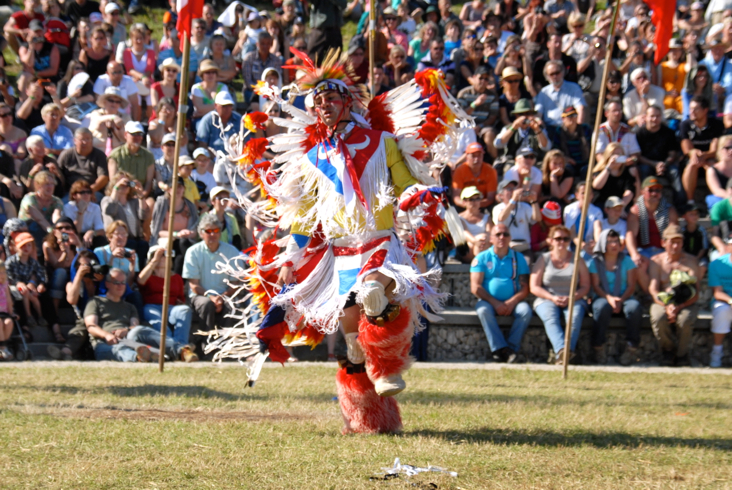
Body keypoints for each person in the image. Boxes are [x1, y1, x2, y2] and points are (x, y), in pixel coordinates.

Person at [84, 268, 197, 362]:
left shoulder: (129, 306)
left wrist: (127, 330)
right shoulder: (95, 301)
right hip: (105, 343)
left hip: (128, 338)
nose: (120, 286)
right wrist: (107, 336)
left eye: (123, 282)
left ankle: (182, 351)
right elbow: (91, 326)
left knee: (138, 330)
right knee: (119, 349)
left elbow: (135, 326)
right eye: (116, 282)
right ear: (107, 284)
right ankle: (139, 358)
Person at [471, 223, 531, 363]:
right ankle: (500, 348)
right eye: (498, 234)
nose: (502, 237)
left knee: (526, 311)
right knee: (483, 310)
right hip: (488, 302)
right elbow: (475, 287)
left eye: (506, 234)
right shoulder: (482, 258)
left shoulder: (519, 258)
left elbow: (525, 287)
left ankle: (511, 348)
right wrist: (495, 303)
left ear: (510, 238)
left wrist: (511, 302)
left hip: (514, 302)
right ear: (491, 238)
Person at [530, 224, 590, 365]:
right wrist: (552, 298)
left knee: (574, 317)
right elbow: (534, 286)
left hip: (573, 298)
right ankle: (563, 350)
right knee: (550, 318)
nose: (562, 242)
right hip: (547, 298)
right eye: (558, 238)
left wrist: (572, 297)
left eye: (565, 238)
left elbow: (586, 285)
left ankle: (563, 355)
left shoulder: (577, 260)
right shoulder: (543, 259)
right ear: (550, 240)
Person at [648, 224, 700, 367]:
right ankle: (668, 351)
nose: (676, 246)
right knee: (658, 317)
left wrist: (680, 306)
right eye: (672, 242)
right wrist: (667, 306)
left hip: (686, 301)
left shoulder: (691, 262)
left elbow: (696, 293)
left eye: (679, 242)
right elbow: (653, 289)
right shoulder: (656, 261)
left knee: (685, 319)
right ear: (663, 242)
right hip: (663, 300)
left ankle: (682, 355)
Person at [589, 229, 641, 365]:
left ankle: (631, 348)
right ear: (602, 244)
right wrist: (609, 298)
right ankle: (598, 346)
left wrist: (621, 300)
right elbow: (596, 286)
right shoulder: (594, 262)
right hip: (603, 296)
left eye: (616, 241)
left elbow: (631, 286)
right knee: (601, 307)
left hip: (624, 296)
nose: (614, 245)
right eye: (610, 241)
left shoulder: (628, 261)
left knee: (634, 308)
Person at [182, 214, 240, 334]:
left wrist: (222, 297)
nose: (212, 234)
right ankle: (206, 342)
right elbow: (194, 285)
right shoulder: (192, 252)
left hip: (225, 295)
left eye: (216, 230)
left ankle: (227, 344)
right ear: (201, 233)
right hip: (200, 296)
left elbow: (235, 283)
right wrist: (211, 297)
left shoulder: (232, 251)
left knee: (231, 305)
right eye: (208, 231)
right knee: (206, 304)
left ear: (220, 232)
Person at [137, 246, 197, 361]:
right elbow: (140, 280)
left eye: (166, 255)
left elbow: (181, 297)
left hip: (171, 307)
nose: (163, 257)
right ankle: (176, 349)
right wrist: (154, 260)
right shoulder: (149, 276)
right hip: (152, 306)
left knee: (184, 310)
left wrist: (180, 302)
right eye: (160, 255)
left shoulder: (176, 278)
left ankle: (181, 347)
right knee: (160, 322)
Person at [626, 176, 679, 292]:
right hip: (643, 250)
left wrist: (667, 254)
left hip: (663, 250)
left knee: (670, 264)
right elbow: (630, 234)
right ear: (643, 192)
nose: (655, 193)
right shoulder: (636, 211)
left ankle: (666, 295)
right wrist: (634, 254)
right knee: (638, 265)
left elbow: (674, 236)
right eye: (651, 190)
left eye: (658, 191)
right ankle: (652, 296)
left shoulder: (669, 211)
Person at [680, 95, 725, 205]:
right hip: (693, 160)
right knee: (692, 164)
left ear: (705, 110)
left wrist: (703, 156)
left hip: (710, 158)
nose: (692, 111)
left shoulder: (716, 124)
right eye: (690, 108)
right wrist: (693, 153)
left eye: (696, 109)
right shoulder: (685, 125)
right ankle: (690, 202)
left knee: (712, 166)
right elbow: (686, 148)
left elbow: (715, 149)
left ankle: (717, 201)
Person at [635, 105, 683, 205]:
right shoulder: (639, 133)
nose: (655, 119)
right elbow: (637, 156)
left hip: (665, 164)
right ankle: (645, 203)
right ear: (646, 117)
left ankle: (681, 205)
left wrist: (663, 164)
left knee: (675, 172)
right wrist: (654, 164)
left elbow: (673, 153)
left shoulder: (668, 132)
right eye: (652, 116)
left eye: (657, 116)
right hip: (647, 163)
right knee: (644, 170)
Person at [150, 176, 198, 274]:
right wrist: (176, 234)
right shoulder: (161, 204)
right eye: (174, 187)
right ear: (168, 189)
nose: (178, 190)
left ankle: (181, 280)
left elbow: (196, 230)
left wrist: (189, 233)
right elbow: (157, 231)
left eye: (180, 187)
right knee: (177, 246)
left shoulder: (190, 206)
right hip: (166, 240)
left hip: (185, 241)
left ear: (184, 189)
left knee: (183, 246)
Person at [100, 171, 149, 261]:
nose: (124, 185)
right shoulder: (107, 200)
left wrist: (141, 195)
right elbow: (110, 211)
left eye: (127, 182)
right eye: (121, 182)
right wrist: (116, 189)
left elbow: (144, 216)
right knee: (131, 244)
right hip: (118, 239)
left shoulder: (133, 202)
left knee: (143, 245)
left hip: (136, 238)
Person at [7, 231, 47, 328]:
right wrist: (18, 283)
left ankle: (40, 316)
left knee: (33, 295)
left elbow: (41, 274)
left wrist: (40, 284)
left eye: (29, 245)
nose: (26, 248)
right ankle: (29, 316)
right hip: (16, 288)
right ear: (16, 247)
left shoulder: (33, 262)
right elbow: (8, 275)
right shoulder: (11, 261)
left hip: (30, 287)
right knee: (25, 293)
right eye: (23, 245)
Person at [493, 99, 551, 165]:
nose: (524, 117)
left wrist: (537, 130)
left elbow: (546, 147)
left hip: (534, 161)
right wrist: (513, 127)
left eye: (528, 114)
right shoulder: (508, 128)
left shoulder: (538, 128)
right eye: (521, 114)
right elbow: (497, 144)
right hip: (514, 161)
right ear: (516, 116)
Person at [57, 127, 109, 200]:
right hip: (71, 192)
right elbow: (59, 173)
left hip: (93, 191)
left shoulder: (99, 155)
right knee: (63, 205)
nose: (85, 142)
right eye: (82, 139)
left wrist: (88, 191)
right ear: (75, 141)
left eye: (88, 139)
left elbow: (104, 177)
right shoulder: (66, 154)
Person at [492, 179, 540, 255]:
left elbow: (537, 218)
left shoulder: (524, 206)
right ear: (501, 195)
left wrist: (534, 201)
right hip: (507, 248)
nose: (513, 191)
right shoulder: (498, 208)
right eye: (509, 189)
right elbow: (501, 218)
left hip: (524, 248)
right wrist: (513, 199)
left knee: (526, 265)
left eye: (514, 188)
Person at [108, 121, 155, 198]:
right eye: (134, 134)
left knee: (150, 204)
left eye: (140, 134)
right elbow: (113, 181)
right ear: (126, 135)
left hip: (140, 194)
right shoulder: (115, 155)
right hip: (120, 194)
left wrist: (142, 196)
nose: (137, 137)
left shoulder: (148, 156)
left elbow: (149, 182)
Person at [534, 60, 586, 129]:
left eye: (557, 73)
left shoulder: (574, 88)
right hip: (550, 128)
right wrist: (539, 123)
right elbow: (538, 113)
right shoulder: (543, 92)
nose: (555, 76)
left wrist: (578, 128)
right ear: (547, 76)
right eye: (551, 74)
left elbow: (580, 108)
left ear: (563, 72)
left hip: (569, 128)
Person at [18, 171, 64, 246]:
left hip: (46, 228)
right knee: (35, 226)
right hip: (28, 229)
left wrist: (59, 228)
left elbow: (57, 216)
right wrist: (52, 231)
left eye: (52, 184)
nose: (50, 187)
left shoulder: (56, 201)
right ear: (38, 185)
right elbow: (39, 219)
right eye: (47, 184)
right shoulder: (29, 198)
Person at [591, 143, 640, 211]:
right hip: (602, 205)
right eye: (613, 154)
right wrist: (609, 167)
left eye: (620, 155)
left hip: (620, 205)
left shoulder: (627, 171)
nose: (617, 157)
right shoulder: (600, 170)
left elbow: (629, 192)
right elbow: (597, 186)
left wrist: (620, 207)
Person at [451, 142, 497, 209]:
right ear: (466, 156)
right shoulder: (459, 171)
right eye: (473, 156)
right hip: (464, 206)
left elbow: (490, 198)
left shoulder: (490, 171)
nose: (476, 159)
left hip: (483, 205)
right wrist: (468, 205)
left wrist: (476, 204)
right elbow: (456, 197)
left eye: (479, 155)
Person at [241, 33, 281, 108]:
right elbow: (248, 81)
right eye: (262, 44)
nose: (265, 46)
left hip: (271, 90)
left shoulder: (276, 60)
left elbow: (277, 79)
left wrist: (269, 90)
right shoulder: (249, 58)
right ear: (257, 44)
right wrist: (261, 89)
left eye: (268, 44)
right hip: (253, 90)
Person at [196, 91, 242, 156]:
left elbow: (245, 141)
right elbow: (202, 144)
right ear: (216, 106)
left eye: (230, 105)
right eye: (224, 106)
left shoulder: (239, 119)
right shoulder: (207, 120)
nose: (227, 108)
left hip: (235, 158)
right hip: (213, 160)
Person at [64, 179, 106, 249]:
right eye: (82, 192)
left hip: (89, 236)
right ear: (74, 195)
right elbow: (75, 230)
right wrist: (81, 211)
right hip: (74, 235)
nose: (86, 195)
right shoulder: (68, 207)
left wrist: (92, 233)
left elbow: (101, 230)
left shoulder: (95, 207)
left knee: (101, 240)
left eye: (88, 192)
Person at [563, 181, 603, 255]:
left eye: (589, 193)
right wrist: (583, 246)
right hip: (573, 245)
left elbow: (598, 229)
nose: (586, 195)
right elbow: (572, 233)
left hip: (589, 244)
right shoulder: (569, 209)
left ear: (592, 196)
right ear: (577, 195)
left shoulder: (597, 211)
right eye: (583, 193)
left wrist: (597, 245)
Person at [458, 186, 491, 263]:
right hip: (468, 249)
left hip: (483, 245)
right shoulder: (459, 218)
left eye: (477, 199)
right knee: (473, 244)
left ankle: (478, 265)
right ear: (464, 202)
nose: (474, 202)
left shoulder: (487, 218)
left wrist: (480, 240)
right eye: (471, 199)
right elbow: (464, 234)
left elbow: (490, 234)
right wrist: (477, 241)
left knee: (484, 240)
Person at [681, 204, 709, 280]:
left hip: (699, 257)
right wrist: (688, 258)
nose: (694, 216)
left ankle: (696, 285)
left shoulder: (701, 231)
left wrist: (696, 258)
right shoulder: (682, 232)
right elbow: (681, 248)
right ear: (684, 216)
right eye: (691, 214)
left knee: (703, 266)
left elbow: (704, 248)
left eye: (696, 214)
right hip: (685, 257)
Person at [0, 260, 17, 360]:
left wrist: (12, 313)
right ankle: (2, 347)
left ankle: (4, 347)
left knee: (9, 322)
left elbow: (8, 299)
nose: (2, 274)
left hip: (4, 312)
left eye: (3, 272)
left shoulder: (5, 284)